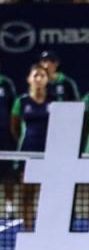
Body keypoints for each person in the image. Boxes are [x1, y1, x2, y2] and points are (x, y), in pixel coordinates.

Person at [10, 64, 52, 229]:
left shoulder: (53, 101)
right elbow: (14, 127)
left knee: (48, 194)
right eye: (35, 75)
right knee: (28, 194)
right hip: (28, 152)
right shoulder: (21, 101)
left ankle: (46, 228)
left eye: (42, 76)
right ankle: (28, 229)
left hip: (49, 153)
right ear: (29, 79)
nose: (39, 79)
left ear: (47, 80)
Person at [0, 64, 16, 215]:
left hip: (4, 136)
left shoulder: (6, 84)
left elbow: (13, 111)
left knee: (7, 173)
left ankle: (9, 204)